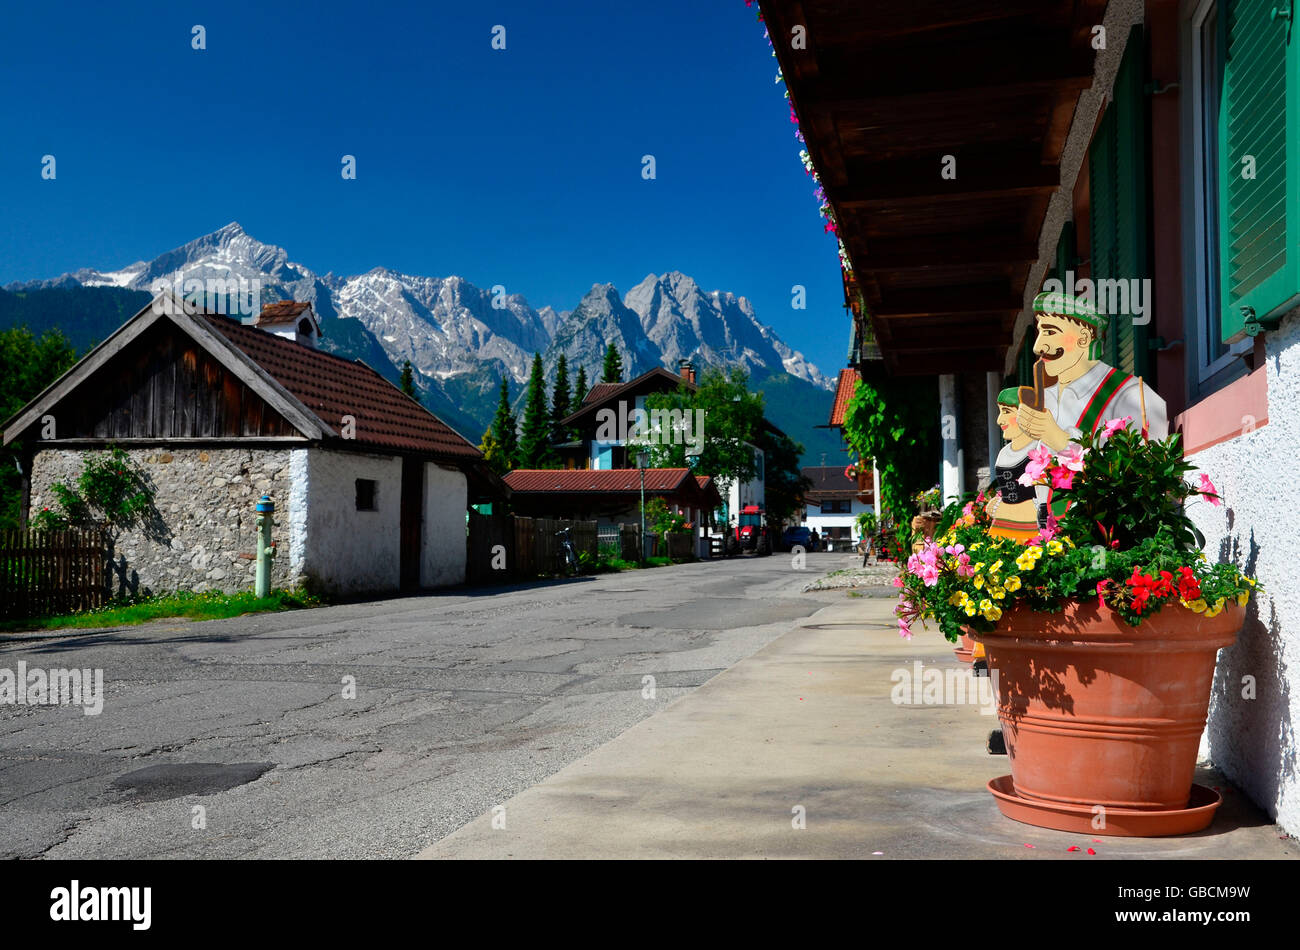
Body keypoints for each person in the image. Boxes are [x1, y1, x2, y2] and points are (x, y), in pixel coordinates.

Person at [984, 388, 1043, 543]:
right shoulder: (1003, 454)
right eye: (1000, 412)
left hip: (1031, 528)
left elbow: (1044, 499)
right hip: (1003, 527)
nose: (999, 420)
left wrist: (1004, 508)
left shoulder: (1039, 449)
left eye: (1007, 411)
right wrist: (997, 504)